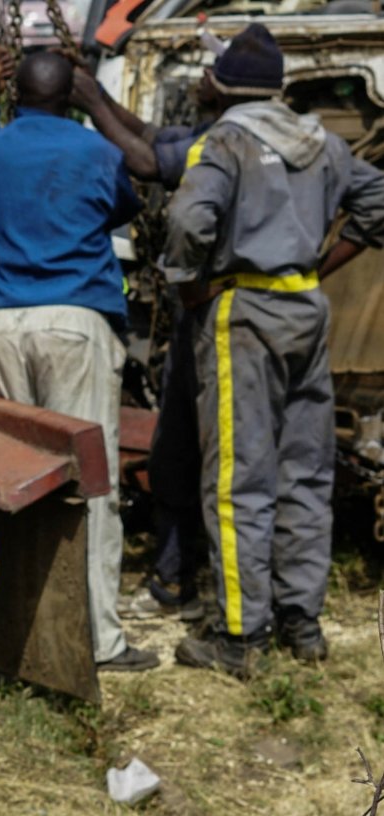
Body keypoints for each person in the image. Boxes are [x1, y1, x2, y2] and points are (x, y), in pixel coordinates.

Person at [162, 24, 384, 674]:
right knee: (307, 471)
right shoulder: (320, 140)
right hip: (305, 310)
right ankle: (302, 623)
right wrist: (320, 265)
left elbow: (186, 221)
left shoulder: (224, 140)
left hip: (244, 314)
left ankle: (239, 637)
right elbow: (377, 202)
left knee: (237, 478)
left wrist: (189, 282)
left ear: (222, 86)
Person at [0, 48, 157, 672]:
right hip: (77, 324)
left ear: (17, 94)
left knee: (16, 482)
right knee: (91, 480)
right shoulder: (96, 151)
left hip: (2, 326)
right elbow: (127, 202)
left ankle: (14, 629)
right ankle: (99, 640)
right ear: (70, 94)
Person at [72, 59, 222, 623]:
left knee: (200, 450)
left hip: (214, 310)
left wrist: (91, 103)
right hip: (200, 312)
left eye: (212, 72)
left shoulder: (221, 145)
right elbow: (153, 138)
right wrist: (103, 104)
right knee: (177, 446)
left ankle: (191, 576)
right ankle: (173, 573)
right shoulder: (212, 136)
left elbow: (146, 162)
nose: (201, 78)